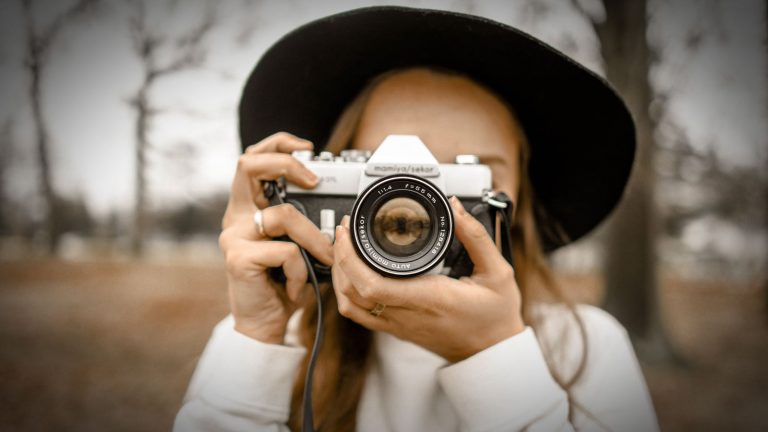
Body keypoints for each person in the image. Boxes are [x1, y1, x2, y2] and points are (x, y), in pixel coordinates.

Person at [175, 6, 659, 432]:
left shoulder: (586, 347)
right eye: (395, 172)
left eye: (470, 170)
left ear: (515, 202)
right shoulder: (269, 337)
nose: (424, 201)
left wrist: (496, 355)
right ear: (327, 185)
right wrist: (257, 338)